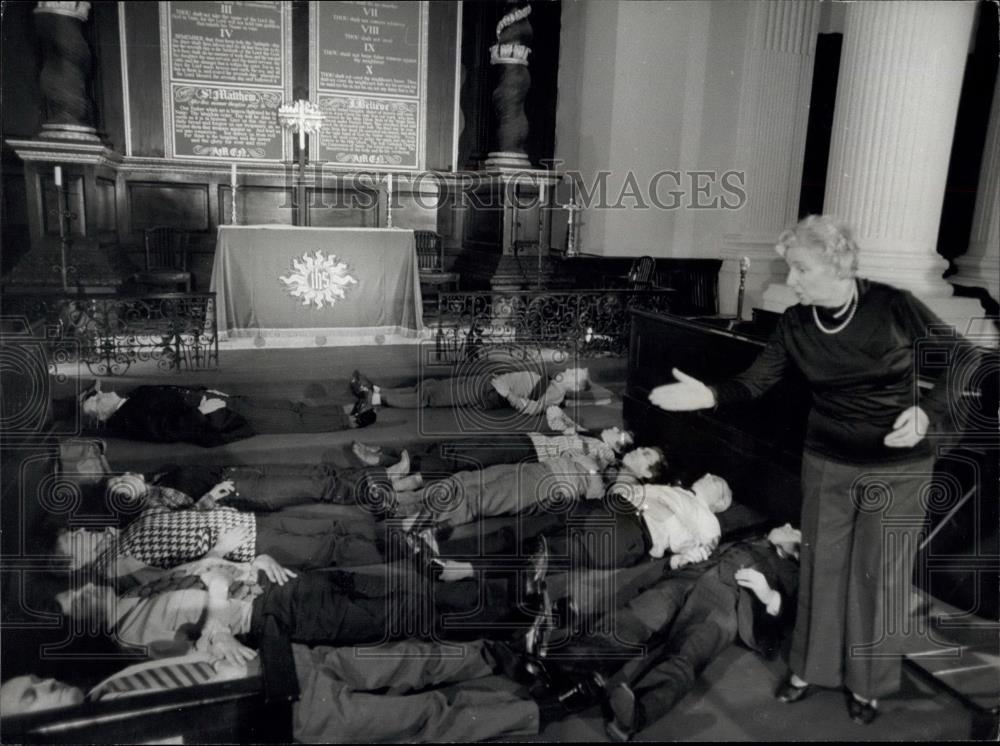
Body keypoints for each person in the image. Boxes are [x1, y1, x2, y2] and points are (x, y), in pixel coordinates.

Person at [647, 214, 971, 724]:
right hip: (827, 463)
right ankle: (809, 668)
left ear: (838, 266)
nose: (791, 280)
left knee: (879, 578)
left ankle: (868, 684)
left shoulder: (892, 306)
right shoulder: (796, 323)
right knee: (822, 569)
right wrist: (708, 393)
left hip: (900, 469)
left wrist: (929, 412)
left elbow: (962, 357)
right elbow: (754, 384)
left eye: (800, 269)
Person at [543, 524, 802, 741]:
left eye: (794, 531)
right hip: (686, 580)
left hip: (725, 604)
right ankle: (559, 663)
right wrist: (688, 557)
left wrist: (769, 597)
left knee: (687, 655)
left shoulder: (792, 574)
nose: (787, 526)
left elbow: (776, 635)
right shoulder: (748, 535)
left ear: (799, 553)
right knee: (632, 618)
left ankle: (635, 713)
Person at [391, 446, 669, 532]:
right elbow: (578, 455)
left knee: (479, 498)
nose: (639, 452)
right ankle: (405, 503)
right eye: (644, 449)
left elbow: (597, 503)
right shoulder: (617, 461)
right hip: (543, 468)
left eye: (645, 456)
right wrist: (586, 458)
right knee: (466, 479)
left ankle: (417, 525)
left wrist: (591, 466)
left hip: (551, 487)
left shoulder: (630, 487)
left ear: (647, 473)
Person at [80, 381, 375, 447]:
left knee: (289, 406)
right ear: (101, 415)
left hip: (218, 401)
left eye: (98, 392)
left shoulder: (135, 395)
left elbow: (174, 389)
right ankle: (351, 422)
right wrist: (202, 410)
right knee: (289, 420)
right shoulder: (130, 418)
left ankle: (348, 407)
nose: (103, 393)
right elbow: (168, 431)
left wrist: (207, 391)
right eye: (97, 400)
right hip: (218, 422)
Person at [351, 420, 634, 476]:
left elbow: (585, 465)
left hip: (531, 455)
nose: (616, 430)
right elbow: (552, 415)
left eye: (620, 436)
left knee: (470, 457)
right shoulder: (589, 434)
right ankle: (385, 457)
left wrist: (579, 441)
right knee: (461, 444)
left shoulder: (604, 454)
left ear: (618, 449)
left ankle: (410, 466)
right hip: (527, 439)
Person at [350, 366, 594, 412]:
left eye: (575, 373)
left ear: (573, 385)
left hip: (485, 393)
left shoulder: (554, 393)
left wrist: (505, 392)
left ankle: (376, 399)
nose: (571, 370)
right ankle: (377, 389)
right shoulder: (554, 384)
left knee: (431, 396)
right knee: (431, 385)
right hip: (486, 381)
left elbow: (530, 408)